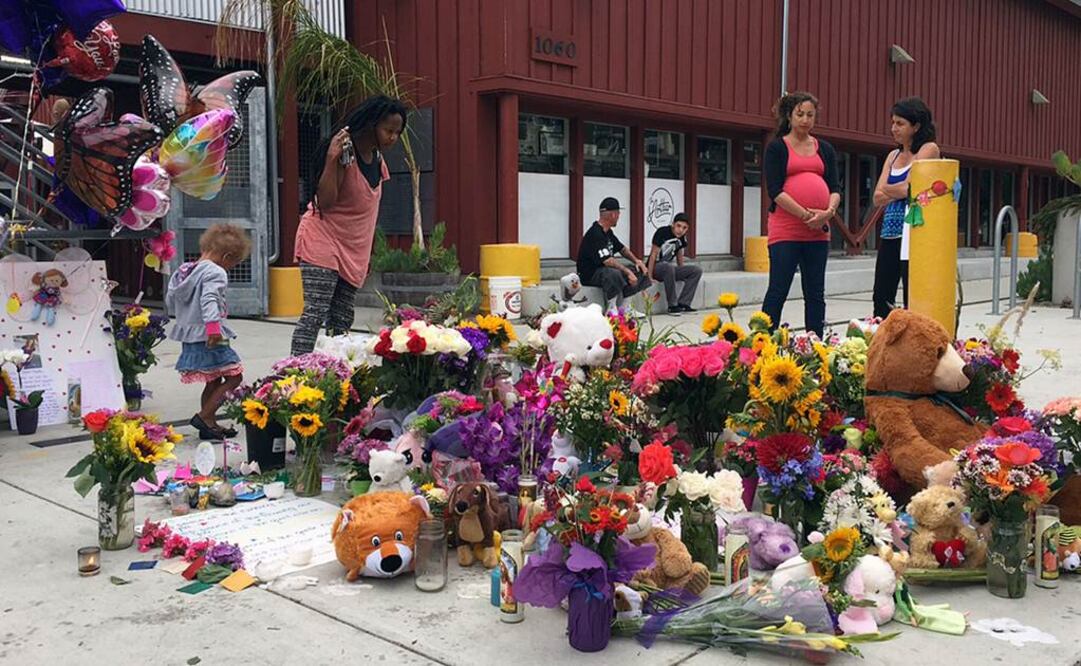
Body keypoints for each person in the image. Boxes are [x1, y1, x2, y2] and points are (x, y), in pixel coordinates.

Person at [291, 95, 408, 356]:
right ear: (371, 124)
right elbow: (326, 202)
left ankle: (333, 373)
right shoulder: (344, 151)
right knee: (315, 312)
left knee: (342, 318)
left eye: (397, 133)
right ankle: (294, 376)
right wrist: (332, 158)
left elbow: (365, 209)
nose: (393, 138)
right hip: (322, 239)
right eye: (388, 130)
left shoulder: (377, 159)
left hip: (353, 248)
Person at [761, 91, 842, 338]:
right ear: (789, 115)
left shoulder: (824, 148)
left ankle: (815, 344)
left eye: (810, 115)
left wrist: (827, 213)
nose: (805, 120)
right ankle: (762, 342)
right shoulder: (777, 147)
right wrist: (807, 216)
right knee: (778, 288)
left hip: (818, 234)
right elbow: (775, 191)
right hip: (786, 230)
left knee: (815, 292)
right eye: (800, 114)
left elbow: (835, 188)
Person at [166, 223, 252, 440]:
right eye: (234, 263)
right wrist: (213, 328)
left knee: (212, 379)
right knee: (234, 376)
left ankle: (209, 424)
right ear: (227, 256)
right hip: (210, 333)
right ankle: (204, 417)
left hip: (190, 335)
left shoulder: (184, 270)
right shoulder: (216, 271)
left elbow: (170, 300)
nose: (231, 268)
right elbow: (209, 298)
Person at [871, 97, 940, 318]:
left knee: (914, 293)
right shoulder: (892, 156)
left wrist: (894, 189)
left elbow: (910, 189)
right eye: (893, 123)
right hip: (890, 232)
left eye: (900, 123)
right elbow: (876, 196)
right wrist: (899, 189)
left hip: (915, 232)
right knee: (882, 295)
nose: (894, 129)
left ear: (916, 125)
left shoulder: (928, 149)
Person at [577, 197, 651, 315]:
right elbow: (607, 261)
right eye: (618, 213)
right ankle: (611, 309)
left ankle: (625, 307)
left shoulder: (608, 232)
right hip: (589, 274)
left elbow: (622, 249)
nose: (618, 216)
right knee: (613, 272)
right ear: (612, 215)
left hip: (603, 271)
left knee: (638, 270)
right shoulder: (595, 233)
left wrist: (637, 261)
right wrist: (627, 272)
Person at [647, 212, 702, 314]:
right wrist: (649, 277)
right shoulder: (662, 232)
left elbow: (679, 254)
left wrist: (681, 271)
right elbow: (653, 255)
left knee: (696, 270)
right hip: (656, 268)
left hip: (669, 270)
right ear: (673, 224)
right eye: (678, 226)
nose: (681, 230)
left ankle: (684, 303)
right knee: (668, 266)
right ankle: (672, 306)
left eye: (684, 228)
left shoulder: (682, 238)